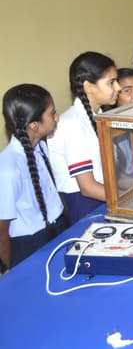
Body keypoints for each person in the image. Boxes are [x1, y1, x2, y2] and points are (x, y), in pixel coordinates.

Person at [48, 52, 121, 225]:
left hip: (106, 194)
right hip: (85, 204)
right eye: (111, 82)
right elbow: (88, 187)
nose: (118, 87)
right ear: (88, 86)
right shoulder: (72, 124)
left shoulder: (99, 117)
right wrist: (129, 199)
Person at [0, 84, 66, 271]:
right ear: (34, 125)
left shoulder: (42, 148)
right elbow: (2, 230)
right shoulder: (7, 168)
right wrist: (10, 270)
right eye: (52, 113)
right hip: (30, 245)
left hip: (57, 229)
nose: (57, 117)